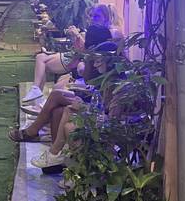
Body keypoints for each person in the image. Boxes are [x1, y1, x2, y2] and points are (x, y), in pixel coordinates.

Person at [10, 42, 120, 171]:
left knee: (63, 107)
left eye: (98, 61)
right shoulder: (110, 77)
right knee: (59, 107)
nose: (95, 64)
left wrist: (85, 107)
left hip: (103, 120)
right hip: (95, 108)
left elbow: (111, 118)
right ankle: (55, 156)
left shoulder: (117, 84)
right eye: (94, 61)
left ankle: (52, 150)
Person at [21, 3, 114, 104]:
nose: (92, 19)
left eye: (96, 16)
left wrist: (78, 36)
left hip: (81, 65)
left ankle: (37, 97)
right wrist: (76, 37)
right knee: (41, 60)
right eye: (91, 16)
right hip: (76, 59)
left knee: (44, 64)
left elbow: (87, 51)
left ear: (106, 18)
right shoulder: (94, 30)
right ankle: (37, 95)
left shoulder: (109, 33)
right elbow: (81, 50)